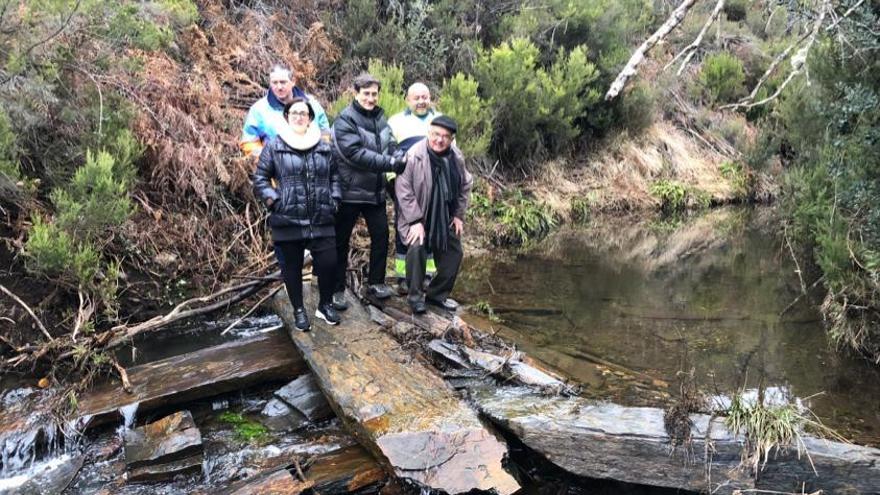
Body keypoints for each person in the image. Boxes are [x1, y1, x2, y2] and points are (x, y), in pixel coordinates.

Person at [252, 98, 341, 331]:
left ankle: (324, 305)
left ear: (310, 117)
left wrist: (335, 200)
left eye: (304, 113)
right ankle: (299, 310)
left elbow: (335, 177)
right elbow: (260, 178)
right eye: (294, 113)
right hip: (287, 218)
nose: (299, 117)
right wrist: (274, 200)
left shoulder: (324, 146)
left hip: (321, 216)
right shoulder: (275, 145)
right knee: (291, 268)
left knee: (330, 262)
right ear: (287, 117)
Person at [332, 73, 405, 308]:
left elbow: (390, 142)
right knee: (340, 241)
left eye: (374, 94)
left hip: (375, 192)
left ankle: (376, 283)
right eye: (366, 94)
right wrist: (390, 163)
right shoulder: (345, 120)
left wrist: (397, 154)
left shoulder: (381, 118)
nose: (371, 98)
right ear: (356, 93)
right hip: (349, 191)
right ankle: (336, 289)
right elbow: (355, 154)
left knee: (382, 236)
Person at [395, 116, 472, 314]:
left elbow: (465, 184)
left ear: (452, 139)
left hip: (443, 216)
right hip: (416, 217)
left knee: (455, 253)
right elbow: (403, 189)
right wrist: (414, 221)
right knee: (417, 246)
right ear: (429, 133)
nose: (440, 140)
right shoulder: (413, 155)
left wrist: (458, 215)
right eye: (436, 134)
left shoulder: (456, 156)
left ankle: (437, 296)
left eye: (445, 136)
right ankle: (415, 297)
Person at [387, 83, 441, 290]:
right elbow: (388, 154)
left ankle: (426, 275)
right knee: (405, 228)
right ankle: (403, 277)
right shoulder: (395, 122)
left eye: (425, 97)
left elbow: (451, 154)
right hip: (405, 186)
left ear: (430, 98)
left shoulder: (440, 120)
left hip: (434, 187)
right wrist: (392, 182)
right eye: (416, 98)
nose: (421, 101)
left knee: (430, 228)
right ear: (407, 100)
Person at [240, 65, 330, 158]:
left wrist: (319, 155)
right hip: (276, 169)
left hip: (310, 165)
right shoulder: (259, 110)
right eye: (274, 83)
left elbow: (325, 132)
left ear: (293, 82)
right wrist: (267, 160)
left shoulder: (312, 105)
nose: (279, 87)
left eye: (283, 82)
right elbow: (249, 142)